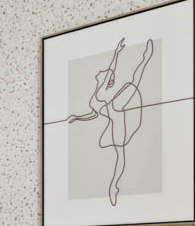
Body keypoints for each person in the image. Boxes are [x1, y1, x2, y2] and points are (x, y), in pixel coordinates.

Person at [66, 37, 155, 206]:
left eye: (106, 73)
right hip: (115, 116)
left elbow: (112, 67)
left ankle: (145, 58)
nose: (101, 72)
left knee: (132, 83)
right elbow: (93, 115)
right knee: (119, 153)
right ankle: (113, 186)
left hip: (116, 110)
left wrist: (116, 52)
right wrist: (76, 118)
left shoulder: (103, 88)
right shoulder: (96, 94)